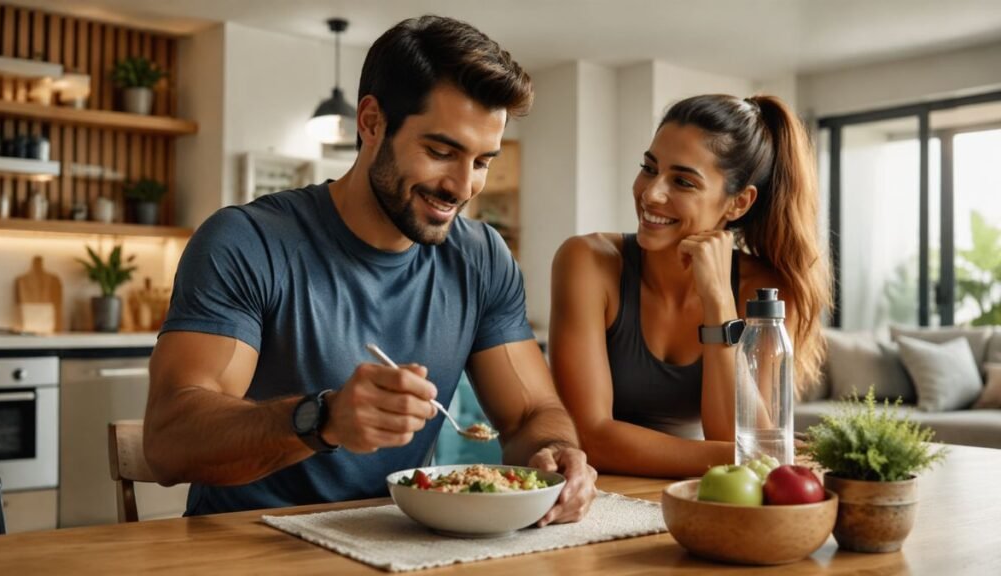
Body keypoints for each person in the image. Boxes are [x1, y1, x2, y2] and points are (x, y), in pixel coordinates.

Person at [144, 15, 596, 523]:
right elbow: (168, 440)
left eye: (482, 161)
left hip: (396, 542)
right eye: (441, 152)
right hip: (246, 546)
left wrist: (556, 454)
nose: (462, 186)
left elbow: (531, 414)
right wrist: (324, 419)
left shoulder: (483, 258)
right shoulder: (248, 242)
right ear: (372, 122)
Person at [549, 94, 831, 477]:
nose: (651, 193)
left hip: (696, 496)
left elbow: (731, 432)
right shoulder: (588, 261)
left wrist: (718, 299)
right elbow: (591, 436)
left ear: (738, 203)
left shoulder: (768, 289)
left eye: (682, 181)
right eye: (649, 168)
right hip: (588, 495)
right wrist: (746, 457)